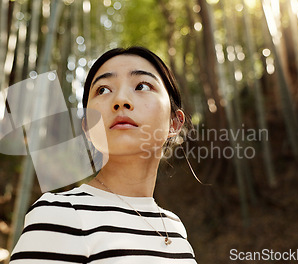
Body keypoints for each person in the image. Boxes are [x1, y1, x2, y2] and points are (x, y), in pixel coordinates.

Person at [10, 46, 198, 263]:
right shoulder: (60, 213)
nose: (121, 100)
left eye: (142, 86)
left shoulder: (174, 227)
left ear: (174, 123)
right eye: (103, 90)